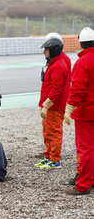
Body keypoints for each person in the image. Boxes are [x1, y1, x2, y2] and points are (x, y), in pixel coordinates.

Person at [64, 27, 94, 195]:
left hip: (86, 114)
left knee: (86, 149)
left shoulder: (83, 62)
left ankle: (82, 185)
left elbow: (77, 89)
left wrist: (69, 108)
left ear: (81, 43)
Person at [34, 33, 70, 169]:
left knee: (54, 132)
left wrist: (46, 105)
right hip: (50, 106)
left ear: (53, 49)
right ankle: (48, 156)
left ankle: (55, 160)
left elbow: (56, 89)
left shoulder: (58, 65)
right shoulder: (56, 62)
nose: (44, 51)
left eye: (46, 49)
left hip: (54, 106)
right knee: (47, 131)